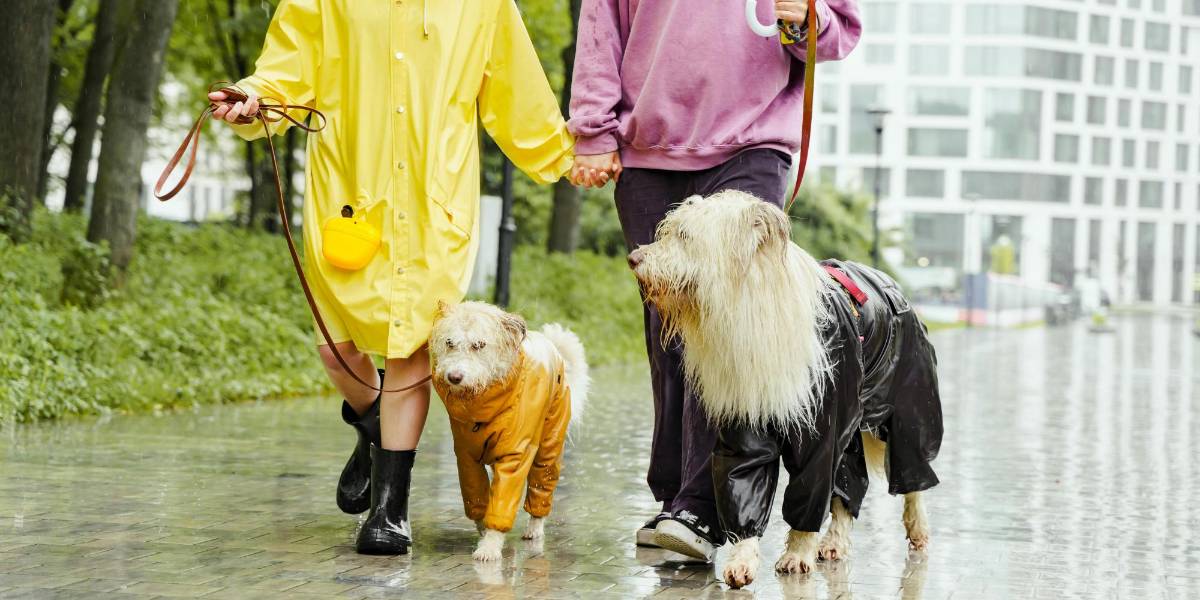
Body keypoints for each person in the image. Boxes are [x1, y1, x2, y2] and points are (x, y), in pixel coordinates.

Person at [210, 0, 574, 555]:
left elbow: (515, 88)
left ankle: (389, 511)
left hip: (436, 202)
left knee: (411, 352)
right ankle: (371, 421)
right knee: (336, 349)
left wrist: (570, 156)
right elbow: (286, 71)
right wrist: (253, 101)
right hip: (352, 199)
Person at [568, 0, 861, 561]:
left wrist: (803, 19)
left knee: (734, 333)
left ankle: (707, 506)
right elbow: (600, 24)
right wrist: (593, 128)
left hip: (753, 143)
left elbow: (838, 32)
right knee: (669, 332)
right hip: (650, 149)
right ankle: (676, 495)